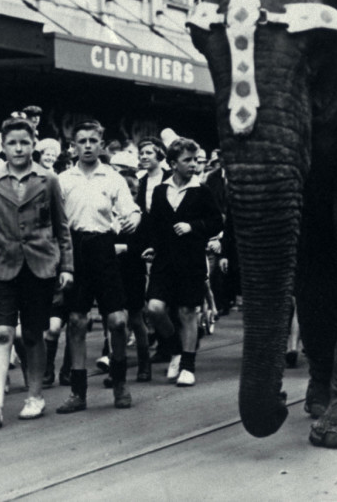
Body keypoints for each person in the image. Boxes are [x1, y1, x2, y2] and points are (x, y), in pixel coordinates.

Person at [0, 118, 73, 428]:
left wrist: (66, 266)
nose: (18, 148)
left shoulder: (48, 179)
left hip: (39, 265)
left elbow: (61, 227)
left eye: (24, 142)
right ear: (3, 147)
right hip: (1, 265)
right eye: (12, 143)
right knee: (1, 332)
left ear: (33, 144)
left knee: (32, 334)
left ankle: (35, 395)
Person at [55, 120, 140, 413]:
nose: (88, 145)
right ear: (74, 145)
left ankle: (119, 382)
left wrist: (132, 218)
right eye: (82, 141)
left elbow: (131, 209)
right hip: (74, 249)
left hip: (104, 247)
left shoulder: (113, 177)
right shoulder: (63, 179)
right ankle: (78, 392)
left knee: (117, 321)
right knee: (77, 321)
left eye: (93, 140)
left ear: (101, 144)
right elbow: (55, 219)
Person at [144, 138, 222, 387]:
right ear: (172, 163)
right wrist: (149, 246)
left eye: (196, 160)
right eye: (187, 160)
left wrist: (193, 226)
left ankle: (188, 365)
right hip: (164, 261)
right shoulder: (159, 190)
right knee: (154, 308)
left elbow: (217, 222)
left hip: (191, 260)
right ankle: (175, 349)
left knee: (188, 312)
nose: (193, 164)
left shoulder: (202, 190)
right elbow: (154, 224)